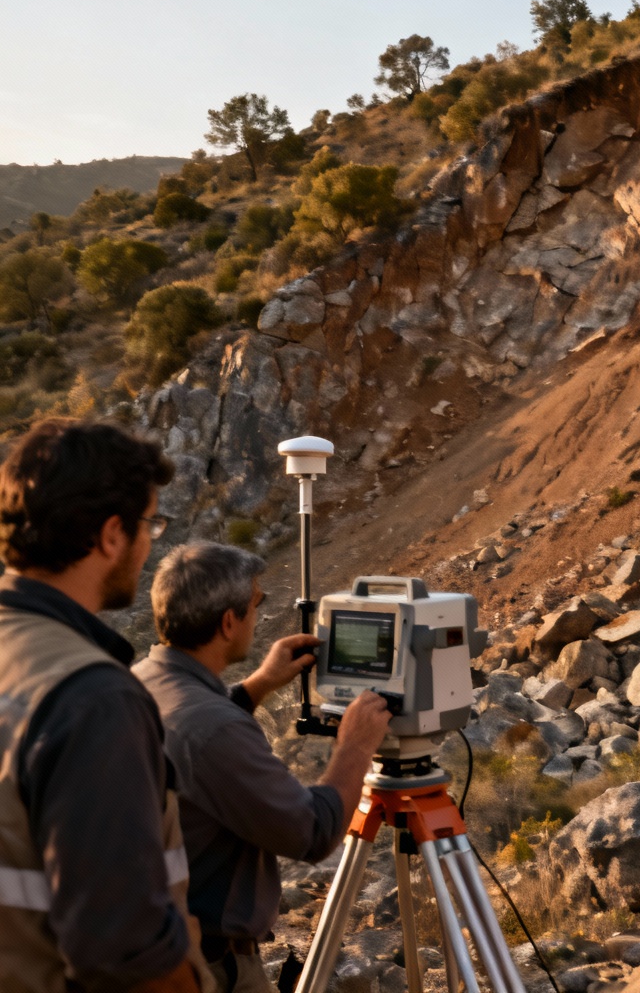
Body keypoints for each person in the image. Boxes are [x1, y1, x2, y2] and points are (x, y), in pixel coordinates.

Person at [0, 417, 210, 992]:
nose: (150, 543)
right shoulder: (93, 697)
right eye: (150, 524)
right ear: (112, 534)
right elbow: (125, 953)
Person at [133, 542, 392, 993]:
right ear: (229, 622)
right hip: (211, 970)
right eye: (256, 604)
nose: (258, 616)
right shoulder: (216, 729)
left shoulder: (141, 683)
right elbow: (312, 832)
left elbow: (196, 737)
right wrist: (355, 747)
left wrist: (256, 687)